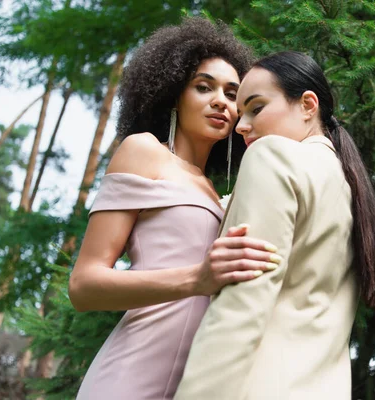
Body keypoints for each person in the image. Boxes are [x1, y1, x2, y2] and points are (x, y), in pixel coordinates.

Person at [69, 18, 278, 400]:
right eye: (203, 87)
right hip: (128, 379)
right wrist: (197, 278)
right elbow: (84, 286)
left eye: (233, 94)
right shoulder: (144, 151)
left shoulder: (220, 194)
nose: (221, 101)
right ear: (173, 95)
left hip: (198, 386)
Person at [174, 51, 375, 399]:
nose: (241, 126)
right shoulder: (349, 187)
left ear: (308, 105)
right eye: (240, 114)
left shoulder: (271, 157)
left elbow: (243, 304)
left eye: (256, 108)